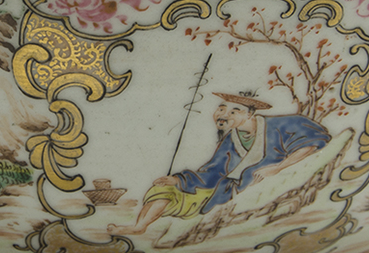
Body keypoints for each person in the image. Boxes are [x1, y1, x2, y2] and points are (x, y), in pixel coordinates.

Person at [109, 92, 330, 236]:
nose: (224, 115)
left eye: (234, 111)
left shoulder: (283, 124)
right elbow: (214, 171)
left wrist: (279, 168)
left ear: (250, 113)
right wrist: (178, 180)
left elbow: (311, 143)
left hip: (251, 188)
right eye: (221, 108)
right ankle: (139, 226)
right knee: (165, 188)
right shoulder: (231, 139)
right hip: (224, 189)